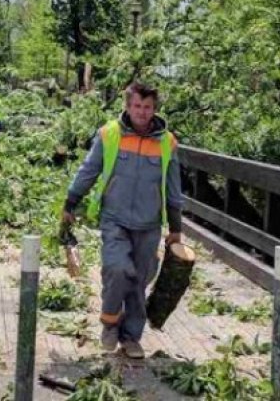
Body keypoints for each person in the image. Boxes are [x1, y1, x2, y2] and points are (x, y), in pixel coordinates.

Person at [63, 82, 183, 359]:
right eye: (137, 106)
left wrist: (176, 229)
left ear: (154, 109)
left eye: (148, 107)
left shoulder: (168, 143)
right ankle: (109, 322)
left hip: (149, 224)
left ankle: (131, 338)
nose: (142, 112)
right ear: (128, 106)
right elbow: (88, 171)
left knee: (139, 281)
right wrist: (70, 202)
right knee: (117, 270)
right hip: (114, 219)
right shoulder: (109, 134)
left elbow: (174, 190)